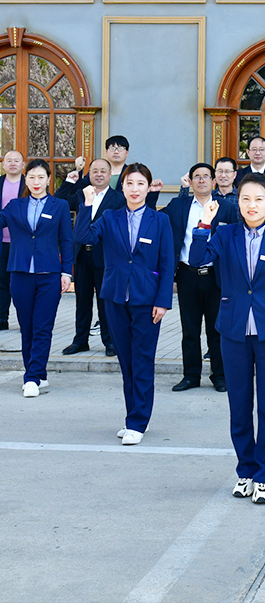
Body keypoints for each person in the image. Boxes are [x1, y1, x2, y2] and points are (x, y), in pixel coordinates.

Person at [190, 173, 265, 505]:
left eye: (258, 199)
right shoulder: (225, 234)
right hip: (233, 330)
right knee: (239, 407)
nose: (252, 205)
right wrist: (204, 224)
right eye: (245, 199)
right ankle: (246, 471)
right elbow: (198, 260)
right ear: (237, 202)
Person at [75, 163, 174, 446]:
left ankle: (137, 422)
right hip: (115, 297)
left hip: (147, 300)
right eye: (130, 183)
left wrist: (163, 301)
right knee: (126, 361)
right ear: (123, 186)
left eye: (140, 183)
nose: (135, 189)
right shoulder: (109, 217)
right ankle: (134, 415)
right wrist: (86, 206)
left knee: (142, 360)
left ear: (148, 187)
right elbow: (83, 237)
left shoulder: (160, 220)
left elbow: (167, 263)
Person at [163, 162, 239, 393]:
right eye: (197, 176)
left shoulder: (226, 208)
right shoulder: (178, 205)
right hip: (187, 275)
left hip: (216, 276)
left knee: (217, 330)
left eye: (207, 176)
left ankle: (220, 376)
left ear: (214, 181)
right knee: (190, 330)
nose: (202, 180)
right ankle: (191, 376)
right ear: (191, 181)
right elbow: (155, 219)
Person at [0, 160, 72, 397]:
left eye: (41, 177)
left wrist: (66, 272)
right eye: (31, 177)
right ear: (25, 179)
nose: (36, 182)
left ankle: (31, 378)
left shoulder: (59, 206)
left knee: (43, 326)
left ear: (49, 179)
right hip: (20, 274)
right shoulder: (15, 205)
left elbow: (66, 241)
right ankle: (38, 373)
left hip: (49, 275)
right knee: (27, 327)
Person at [56, 159, 122, 356]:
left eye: (103, 171)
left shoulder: (118, 198)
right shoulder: (81, 194)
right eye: (95, 171)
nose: (99, 174)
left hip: (105, 257)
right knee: (82, 301)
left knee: (105, 301)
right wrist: (70, 180)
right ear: (89, 174)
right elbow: (59, 202)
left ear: (109, 175)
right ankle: (80, 341)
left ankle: (110, 341)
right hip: (82, 255)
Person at [0, 149, 27, 330]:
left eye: (16, 160)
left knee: (20, 283)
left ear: (23, 165)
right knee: (1, 281)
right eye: (9, 160)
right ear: (3, 164)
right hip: (2, 242)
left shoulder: (29, 184)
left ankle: (24, 320)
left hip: (22, 242)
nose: (12, 163)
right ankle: (2, 318)